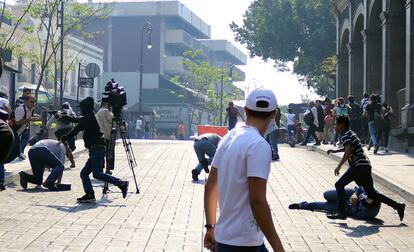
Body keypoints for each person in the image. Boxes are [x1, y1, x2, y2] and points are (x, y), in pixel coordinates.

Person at [204, 87, 284, 252]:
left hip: (226, 237)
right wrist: (278, 247)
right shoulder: (259, 145)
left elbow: (211, 186)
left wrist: (210, 227)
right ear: (274, 114)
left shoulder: (229, 137)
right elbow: (257, 201)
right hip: (244, 243)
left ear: (246, 110)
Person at [326, 115, 405, 220]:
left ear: (342, 125)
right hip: (366, 165)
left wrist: (339, 166)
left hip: (358, 166)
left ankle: (341, 212)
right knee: (371, 193)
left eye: (336, 124)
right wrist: (335, 151)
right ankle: (398, 206)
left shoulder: (345, 135)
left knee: (339, 185)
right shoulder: (351, 133)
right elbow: (349, 148)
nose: (335, 126)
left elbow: (348, 151)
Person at [61, 97, 129, 203]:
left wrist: (64, 138)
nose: (80, 110)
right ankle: (90, 194)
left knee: (97, 174)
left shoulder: (88, 118)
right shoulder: (89, 116)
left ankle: (121, 183)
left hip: (97, 149)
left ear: (85, 108)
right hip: (95, 149)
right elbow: (76, 120)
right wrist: (62, 116)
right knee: (84, 173)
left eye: (81, 108)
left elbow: (75, 130)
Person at [289, 186, 381, 220]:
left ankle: (303, 205)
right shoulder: (373, 192)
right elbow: (361, 187)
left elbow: (354, 213)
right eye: (365, 197)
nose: (364, 198)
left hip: (347, 207)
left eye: (364, 201)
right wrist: (355, 194)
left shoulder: (368, 213)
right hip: (350, 194)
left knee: (325, 206)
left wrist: (354, 205)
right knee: (327, 194)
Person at [13, 95, 38, 160]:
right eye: (31, 102)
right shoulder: (20, 109)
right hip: (14, 128)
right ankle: (16, 154)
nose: (32, 104)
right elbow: (17, 122)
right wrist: (29, 119)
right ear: (26, 101)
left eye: (34, 102)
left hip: (24, 128)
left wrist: (36, 117)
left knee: (25, 140)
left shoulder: (32, 108)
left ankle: (20, 153)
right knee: (15, 143)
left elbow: (30, 116)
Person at [95, 97, 114, 171]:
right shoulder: (106, 111)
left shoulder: (98, 112)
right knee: (109, 153)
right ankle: (108, 169)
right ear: (107, 104)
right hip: (107, 135)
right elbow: (113, 119)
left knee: (102, 153)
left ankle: (101, 168)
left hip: (101, 135)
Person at [0, 108, 14, 191]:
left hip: (2, 133)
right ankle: (1, 181)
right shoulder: (3, 117)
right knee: (0, 159)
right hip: (9, 133)